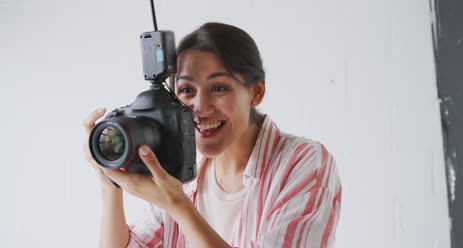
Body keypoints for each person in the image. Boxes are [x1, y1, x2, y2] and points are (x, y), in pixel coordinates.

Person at [83, 22, 342, 248]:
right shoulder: (181, 171)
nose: (201, 108)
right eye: (186, 90)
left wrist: (179, 207)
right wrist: (110, 182)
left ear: (256, 93)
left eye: (218, 88)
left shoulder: (304, 162)